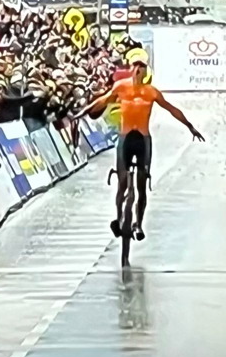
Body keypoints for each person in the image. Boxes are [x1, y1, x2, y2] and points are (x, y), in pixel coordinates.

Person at [79, 49, 203, 241]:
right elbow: (102, 101)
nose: (138, 69)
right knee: (122, 182)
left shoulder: (151, 92)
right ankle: (118, 218)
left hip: (143, 139)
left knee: (141, 184)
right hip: (125, 138)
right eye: (135, 65)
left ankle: (138, 223)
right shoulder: (121, 87)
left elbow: (171, 109)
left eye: (141, 66)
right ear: (130, 68)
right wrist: (81, 113)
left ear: (146, 71)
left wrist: (190, 126)